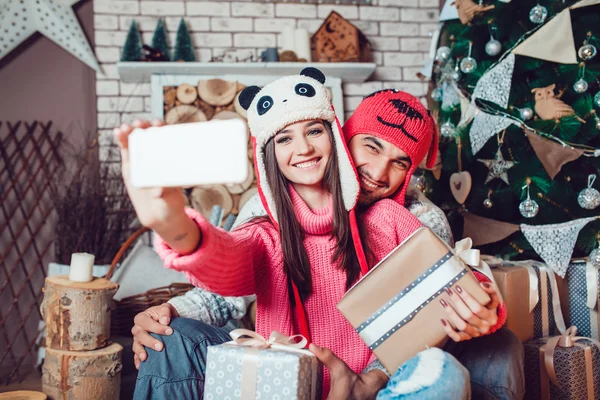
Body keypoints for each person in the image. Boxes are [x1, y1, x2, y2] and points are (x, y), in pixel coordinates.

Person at [118, 77, 513, 399]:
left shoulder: (406, 217)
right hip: (284, 369)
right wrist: (175, 234)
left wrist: (484, 305)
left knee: (493, 350)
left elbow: (447, 285)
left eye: (399, 163)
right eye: (370, 148)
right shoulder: (270, 215)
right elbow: (233, 273)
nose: (377, 171)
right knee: (171, 338)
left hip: (375, 373)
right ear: (344, 138)